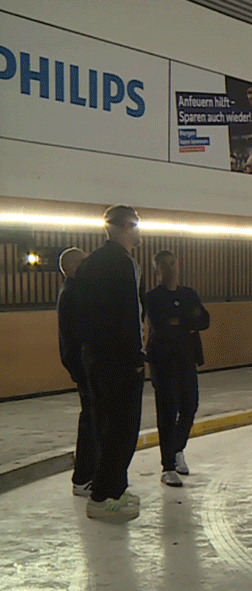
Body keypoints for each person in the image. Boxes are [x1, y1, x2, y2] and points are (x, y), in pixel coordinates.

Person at [75, 205, 146, 520]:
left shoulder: (90, 262)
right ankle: (103, 497)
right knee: (123, 428)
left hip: (96, 357)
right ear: (128, 227)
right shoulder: (124, 263)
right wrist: (136, 357)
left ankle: (114, 488)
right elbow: (128, 315)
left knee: (104, 424)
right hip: (119, 359)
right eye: (137, 226)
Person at [145, 250, 210, 489]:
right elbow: (162, 325)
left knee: (190, 405)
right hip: (163, 360)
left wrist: (182, 321)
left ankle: (177, 449)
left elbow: (204, 320)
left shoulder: (188, 293)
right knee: (167, 411)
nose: (171, 268)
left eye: (174, 263)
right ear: (158, 270)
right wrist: (187, 321)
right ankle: (168, 466)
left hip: (187, 358)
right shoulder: (153, 297)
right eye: (165, 265)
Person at [57, 247, 96, 498]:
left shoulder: (72, 291)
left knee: (93, 418)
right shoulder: (74, 293)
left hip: (81, 363)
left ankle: (88, 473)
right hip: (83, 365)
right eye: (83, 264)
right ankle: (82, 476)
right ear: (70, 269)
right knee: (91, 419)